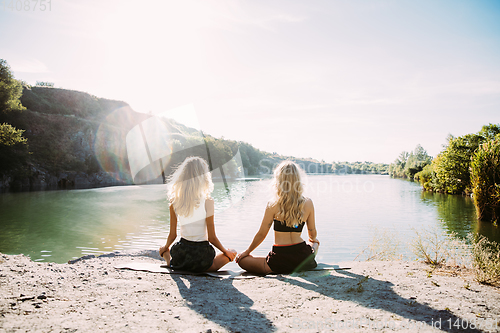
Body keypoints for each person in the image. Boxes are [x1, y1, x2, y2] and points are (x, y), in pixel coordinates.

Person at [236, 161, 319, 275]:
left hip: (280, 259)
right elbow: (312, 233)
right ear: (297, 180)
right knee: (315, 244)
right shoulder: (308, 202)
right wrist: (313, 240)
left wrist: (247, 252)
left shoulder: (273, 204)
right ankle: (310, 255)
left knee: (242, 261)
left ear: (278, 180)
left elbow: (262, 234)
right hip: (303, 257)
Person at [159, 156, 236, 272]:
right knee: (233, 252)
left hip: (182, 254)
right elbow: (212, 238)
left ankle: (168, 258)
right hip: (202, 256)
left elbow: (172, 236)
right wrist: (226, 252)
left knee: (166, 253)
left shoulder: (174, 202)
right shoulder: (208, 202)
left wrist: (165, 247)